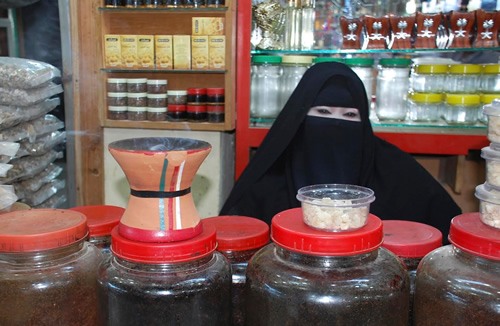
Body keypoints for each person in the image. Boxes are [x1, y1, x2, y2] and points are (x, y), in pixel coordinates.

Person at [220, 61, 462, 240]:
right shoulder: (268, 180)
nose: (335, 124)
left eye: (349, 115)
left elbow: (450, 229)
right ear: (300, 118)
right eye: (323, 112)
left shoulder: (395, 172)